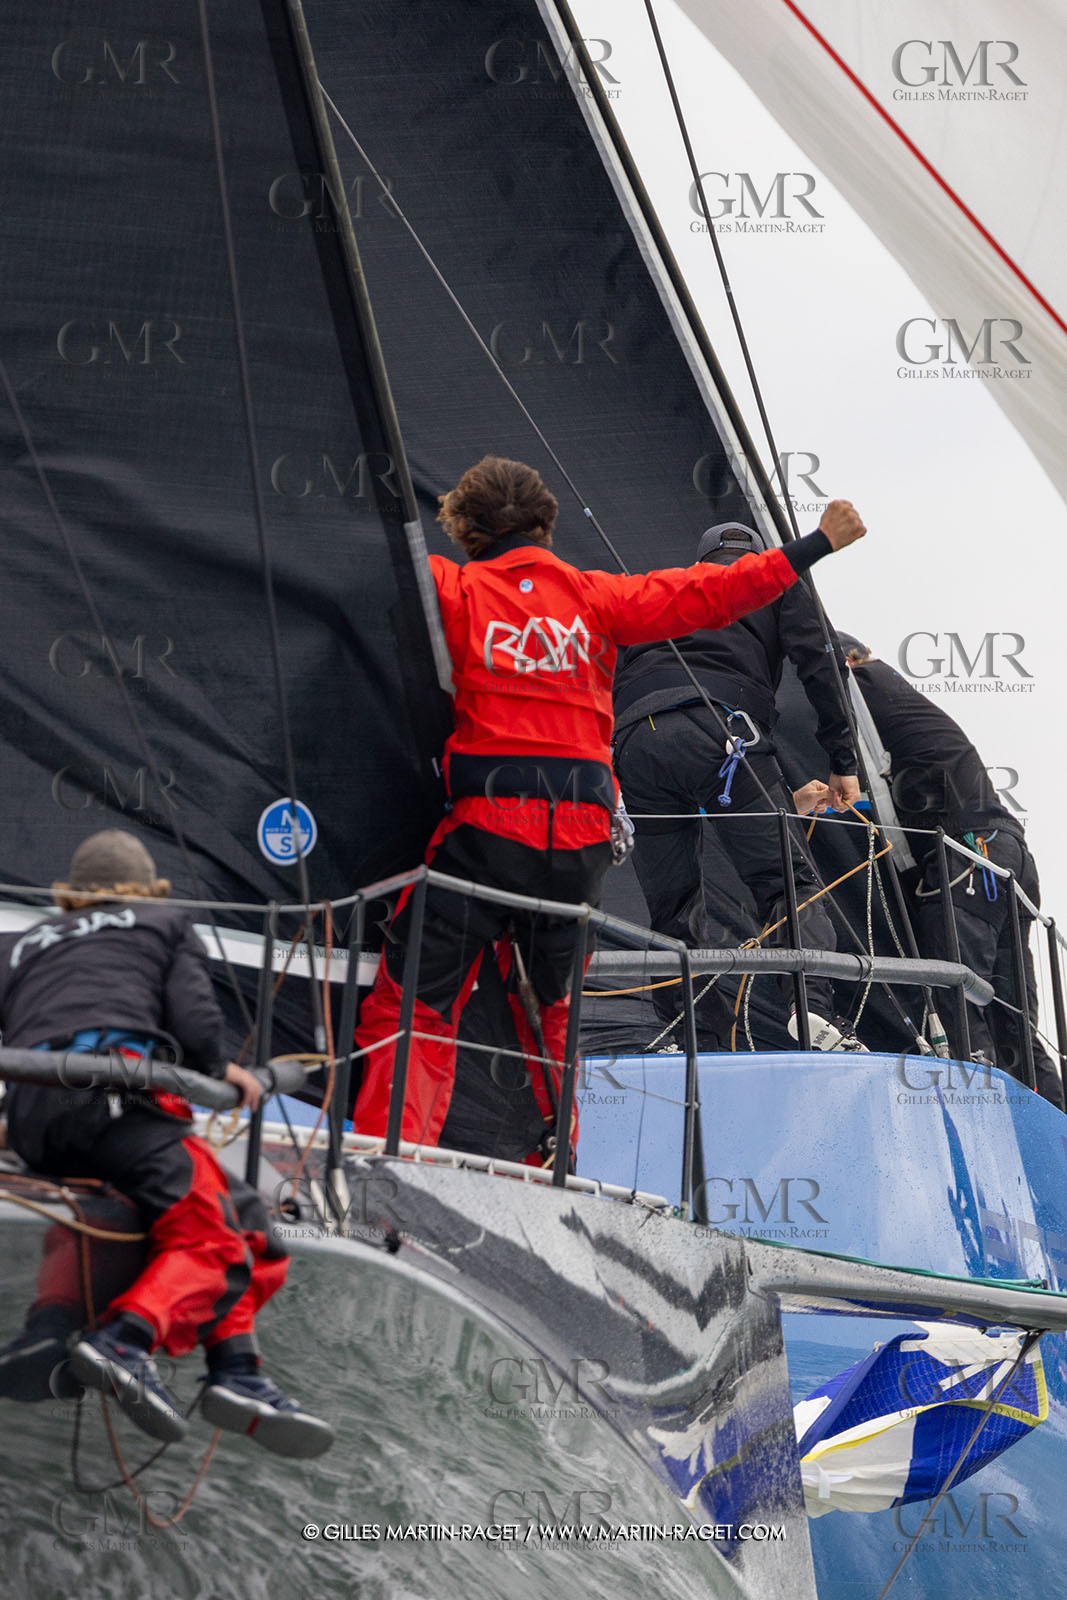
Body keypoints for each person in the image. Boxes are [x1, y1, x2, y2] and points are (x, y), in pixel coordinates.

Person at [352, 456, 867, 1152]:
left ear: (468, 531)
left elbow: (373, 565)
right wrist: (815, 544)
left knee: (415, 999)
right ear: (545, 522)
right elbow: (714, 596)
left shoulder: (453, 588)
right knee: (553, 1011)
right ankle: (551, 1161)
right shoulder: (598, 596)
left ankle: (391, 1154)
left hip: (502, 823)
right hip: (582, 840)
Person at [0, 830, 334, 1455]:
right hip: (118, 1104)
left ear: (69, 897)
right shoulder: (163, 922)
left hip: (35, 1120)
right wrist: (220, 1071)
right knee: (213, 1238)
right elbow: (198, 1025)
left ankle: (234, 1370)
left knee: (247, 1217)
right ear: (146, 890)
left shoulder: (17, 945)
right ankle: (124, 1341)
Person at [612, 518, 866, 1052]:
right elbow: (822, 663)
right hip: (726, 732)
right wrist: (844, 760)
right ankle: (811, 1013)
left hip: (635, 741)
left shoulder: (665, 583)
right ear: (757, 556)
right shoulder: (772, 579)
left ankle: (688, 1037)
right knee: (787, 885)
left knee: (673, 904)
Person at [841, 637, 1063, 1107]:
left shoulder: (860, 682)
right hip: (1007, 853)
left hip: (970, 855)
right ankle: (1055, 1133)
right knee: (1011, 1013)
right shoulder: (903, 700)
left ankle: (982, 1119)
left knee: (955, 994)